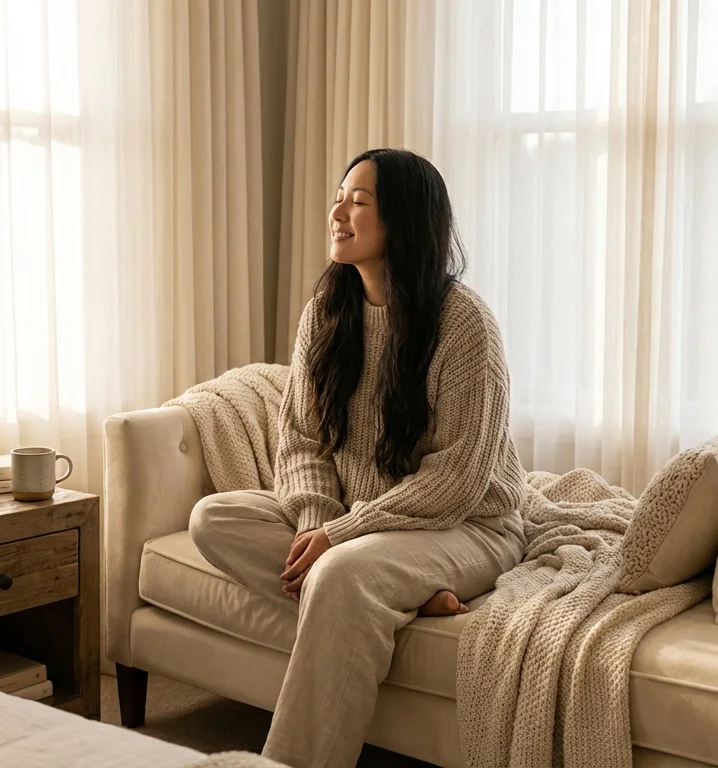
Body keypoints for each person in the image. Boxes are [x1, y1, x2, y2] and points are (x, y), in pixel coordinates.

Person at [189, 148, 526, 768]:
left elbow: (457, 481)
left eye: (358, 201)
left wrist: (343, 536)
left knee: (343, 573)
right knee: (213, 518)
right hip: (357, 525)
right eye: (340, 197)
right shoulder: (328, 310)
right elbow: (301, 441)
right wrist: (318, 521)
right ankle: (400, 591)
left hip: (470, 525)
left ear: (402, 220)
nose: (337, 212)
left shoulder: (465, 325)